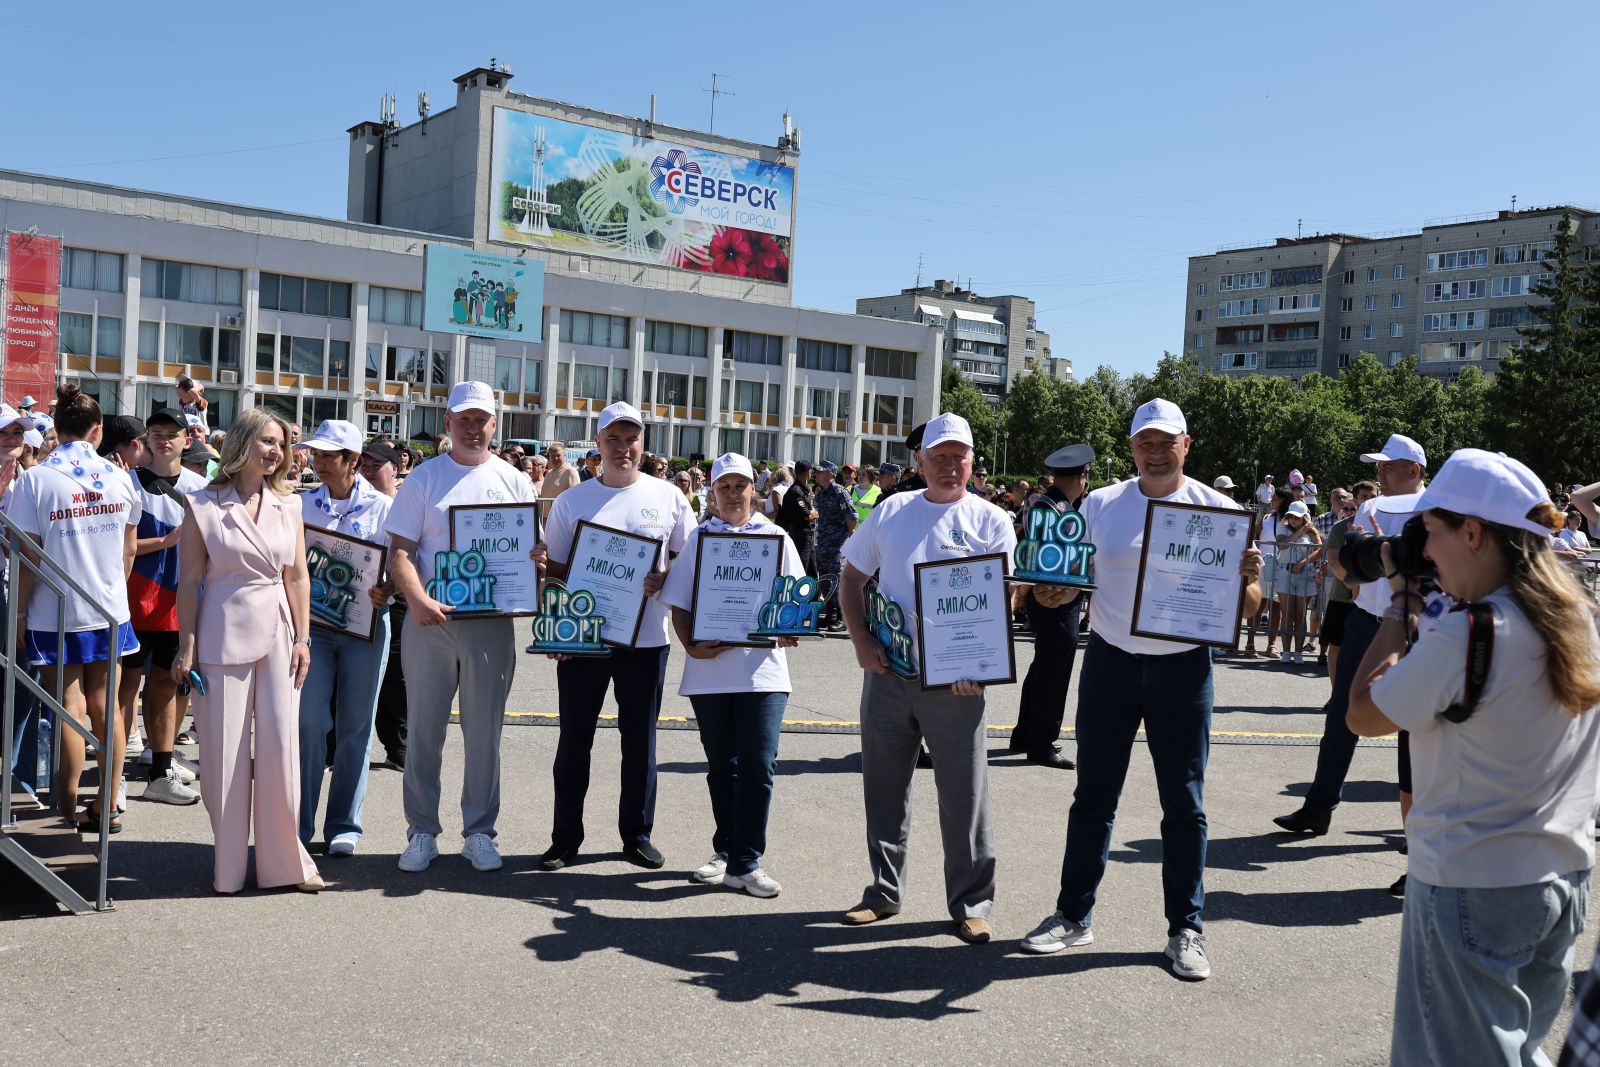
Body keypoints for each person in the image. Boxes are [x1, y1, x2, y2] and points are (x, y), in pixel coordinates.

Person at [1345, 449, 1600, 1067]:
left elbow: (1363, 714)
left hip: (1472, 882)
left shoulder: (1468, 635)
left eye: (1432, 531)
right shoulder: (1580, 621)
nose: (1426, 551)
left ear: (1473, 533)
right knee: (1518, 1049)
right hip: (1562, 878)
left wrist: (1399, 604)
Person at [1021, 399, 1263, 981]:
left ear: (1186, 445)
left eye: (1166, 442)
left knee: (1185, 804)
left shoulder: (1221, 511)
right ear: (1132, 448)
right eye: (1145, 443)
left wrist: (1248, 580)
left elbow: (1250, 609)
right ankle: (1072, 915)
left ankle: (1186, 928)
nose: (1155, 453)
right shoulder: (1102, 504)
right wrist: (1053, 593)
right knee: (1093, 796)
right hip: (1111, 662)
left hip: (1184, 669)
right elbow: (1068, 584)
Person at [838, 412, 1015, 945]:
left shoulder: (991, 520)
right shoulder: (893, 510)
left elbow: (1002, 599)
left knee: (964, 797)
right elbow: (852, 577)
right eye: (939, 456)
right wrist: (860, 640)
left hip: (956, 684)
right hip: (888, 672)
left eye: (959, 456)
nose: (949, 465)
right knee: (884, 787)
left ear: (972, 462)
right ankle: (883, 892)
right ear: (920, 461)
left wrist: (981, 665)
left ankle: (972, 903)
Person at [536, 401, 696, 871]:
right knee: (574, 741)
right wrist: (558, 630)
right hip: (584, 640)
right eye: (613, 439)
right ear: (598, 444)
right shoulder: (573, 501)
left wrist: (665, 577)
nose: (623, 448)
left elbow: (690, 562)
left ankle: (637, 835)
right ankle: (565, 838)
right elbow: (556, 571)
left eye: (631, 439)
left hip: (645, 641)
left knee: (640, 743)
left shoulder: (668, 497)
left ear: (642, 443)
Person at [385, 382, 536, 874]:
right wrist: (417, 599)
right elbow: (400, 551)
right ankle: (421, 831)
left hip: (490, 624)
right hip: (431, 619)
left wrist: (534, 567)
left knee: (484, 734)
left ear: (494, 424)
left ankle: (480, 832)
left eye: (481, 420)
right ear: (448, 422)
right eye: (463, 419)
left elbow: (528, 554)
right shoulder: (424, 478)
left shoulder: (514, 480)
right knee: (423, 731)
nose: (473, 428)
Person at [172, 408, 322, 893]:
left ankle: (287, 864)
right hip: (221, 632)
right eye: (267, 441)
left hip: (279, 633)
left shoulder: (290, 505)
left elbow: (297, 577)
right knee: (223, 757)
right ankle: (230, 868)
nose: (277, 451)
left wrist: (303, 637)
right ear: (242, 444)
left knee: (281, 749)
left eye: (281, 443)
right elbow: (189, 581)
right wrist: (186, 646)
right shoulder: (202, 503)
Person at [661, 452, 805, 898]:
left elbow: (795, 600)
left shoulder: (775, 537)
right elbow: (679, 601)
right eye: (723, 487)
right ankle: (725, 852)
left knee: (759, 765)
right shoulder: (701, 538)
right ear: (713, 494)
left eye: (740, 485)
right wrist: (690, 645)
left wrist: (789, 627)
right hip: (710, 672)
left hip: (763, 673)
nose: (732, 494)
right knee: (722, 767)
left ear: (753, 490)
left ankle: (747, 861)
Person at [1275, 434, 1426, 837]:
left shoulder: (1433, 510)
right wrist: (1350, 579)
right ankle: (1318, 808)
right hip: (1366, 620)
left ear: (1414, 470)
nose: (1380, 473)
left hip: (1415, 628)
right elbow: (1346, 557)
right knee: (1341, 714)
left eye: (1387, 466)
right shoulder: (1372, 506)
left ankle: (1417, 833)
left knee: (1414, 728)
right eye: (1378, 466)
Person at [10, 385, 141, 833]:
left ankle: (64, 811)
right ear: (98, 431)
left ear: (57, 429)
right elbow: (128, 550)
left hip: (55, 610)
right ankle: (106, 806)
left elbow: (27, 555)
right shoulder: (120, 478)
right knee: (107, 707)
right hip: (109, 608)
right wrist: (112, 590)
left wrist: (19, 615)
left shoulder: (37, 479)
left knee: (69, 707)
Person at [293, 420, 394, 856]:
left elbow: (400, 562)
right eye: (314, 454)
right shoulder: (300, 504)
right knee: (309, 723)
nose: (317, 462)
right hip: (312, 629)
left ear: (352, 460)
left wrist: (388, 588)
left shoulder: (384, 507)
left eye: (327, 455)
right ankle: (298, 825)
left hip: (366, 628)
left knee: (356, 726)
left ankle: (344, 826)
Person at [120, 408, 206, 805]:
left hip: (178, 602)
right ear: (146, 439)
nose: (163, 439)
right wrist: (164, 542)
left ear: (187, 440)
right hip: (132, 600)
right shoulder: (127, 482)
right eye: (156, 432)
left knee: (167, 684)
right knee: (125, 688)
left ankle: (161, 769)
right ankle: (114, 775)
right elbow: (119, 547)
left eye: (172, 433)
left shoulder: (200, 487)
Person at [1010, 443, 1094, 770]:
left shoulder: (1047, 505)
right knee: (1054, 673)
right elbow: (1044, 559)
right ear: (1082, 478)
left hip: (1046, 598)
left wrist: (1025, 594)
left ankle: (1025, 734)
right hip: (1056, 600)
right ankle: (1042, 743)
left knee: (1042, 667)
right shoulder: (1059, 510)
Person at [358, 441, 407, 769]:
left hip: (398, 598)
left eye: (376, 466)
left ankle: (398, 747)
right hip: (357, 596)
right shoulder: (356, 503)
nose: (369, 471)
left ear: (395, 469)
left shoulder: (405, 504)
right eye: (364, 465)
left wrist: (393, 586)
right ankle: (333, 747)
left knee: (395, 677)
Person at [1275, 500, 1322, 664]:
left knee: (1300, 615)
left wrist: (1302, 563)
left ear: (1304, 517)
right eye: (1291, 516)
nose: (1293, 520)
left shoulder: (1312, 531)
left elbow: (1319, 550)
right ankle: (1286, 652)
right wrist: (1301, 530)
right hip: (1285, 573)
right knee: (1287, 613)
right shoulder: (1283, 529)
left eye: (1297, 517)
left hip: (1305, 573)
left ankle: (1298, 653)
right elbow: (1281, 545)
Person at [811, 461, 855, 631]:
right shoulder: (821, 494)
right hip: (823, 543)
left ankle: (842, 618)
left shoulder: (839, 492)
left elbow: (852, 518)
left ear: (830, 474)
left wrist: (842, 536)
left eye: (821, 472)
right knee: (825, 580)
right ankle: (830, 615)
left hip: (837, 544)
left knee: (837, 580)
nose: (817, 474)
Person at [776, 459, 818, 576]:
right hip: (800, 536)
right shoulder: (796, 491)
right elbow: (807, 516)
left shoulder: (803, 490)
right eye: (811, 471)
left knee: (812, 572)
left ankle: (812, 589)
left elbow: (813, 512)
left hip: (808, 536)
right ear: (808, 472)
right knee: (801, 571)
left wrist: (813, 513)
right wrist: (813, 513)